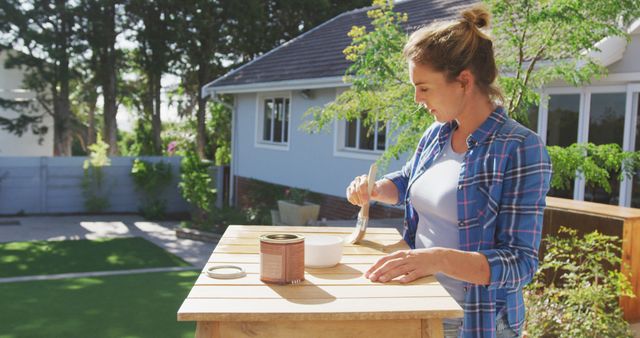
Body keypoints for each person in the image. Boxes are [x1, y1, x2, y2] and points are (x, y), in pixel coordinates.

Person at [345, 5, 552, 338]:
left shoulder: (520, 148)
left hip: (473, 322)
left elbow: (520, 264)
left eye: (424, 88)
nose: (416, 98)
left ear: (464, 81)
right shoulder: (437, 133)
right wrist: (376, 188)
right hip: (420, 304)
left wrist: (436, 259)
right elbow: (411, 180)